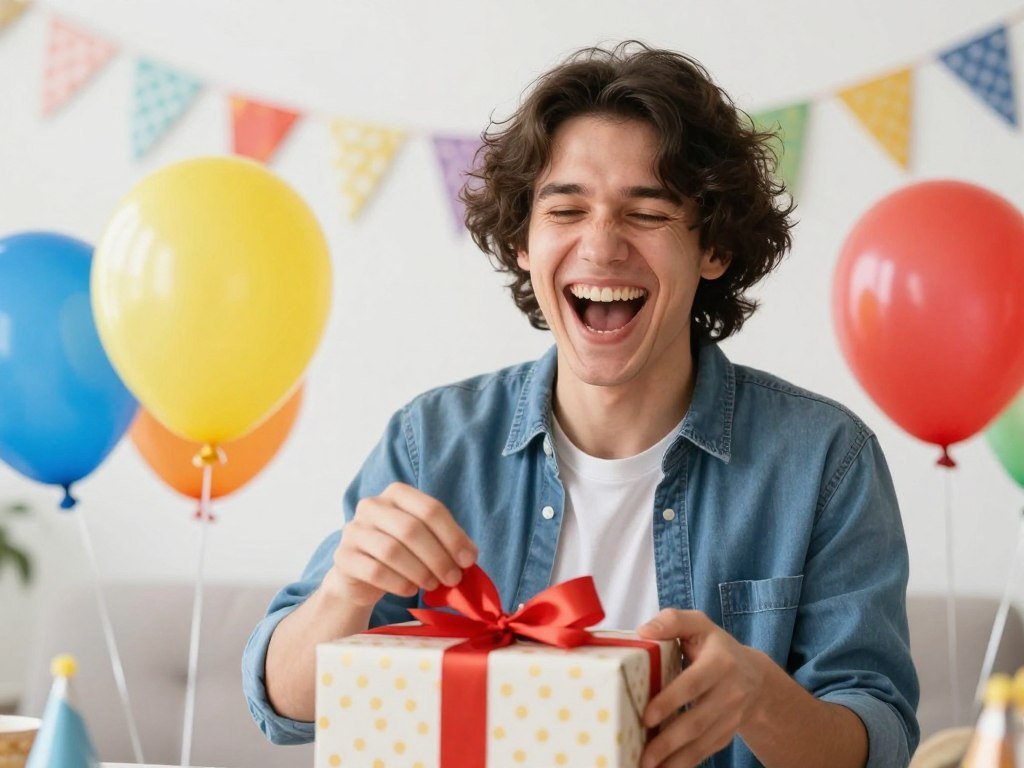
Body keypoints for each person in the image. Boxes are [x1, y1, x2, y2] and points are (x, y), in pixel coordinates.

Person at [242, 41, 919, 768]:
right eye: (566, 209)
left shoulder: (824, 461)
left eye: (648, 213)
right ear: (525, 245)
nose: (601, 246)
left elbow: (876, 737)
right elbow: (283, 705)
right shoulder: (431, 444)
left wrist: (761, 697)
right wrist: (347, 589)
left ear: (713, 248)